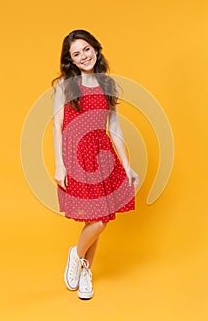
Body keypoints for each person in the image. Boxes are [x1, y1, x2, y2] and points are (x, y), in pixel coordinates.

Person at [52, 29, 139, 300]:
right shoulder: (64, 87)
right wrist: (60, 165)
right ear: (71, 60)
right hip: (76, 156)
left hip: (103, 155)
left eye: (86, 49)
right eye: (76, 54)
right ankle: (76, 255)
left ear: (96, 49)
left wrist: (127, 166)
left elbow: (114, 126)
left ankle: (85, 270)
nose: (83, 56)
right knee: (98, 219)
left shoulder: (107, 85)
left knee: (100, 218)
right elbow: (57, 126)